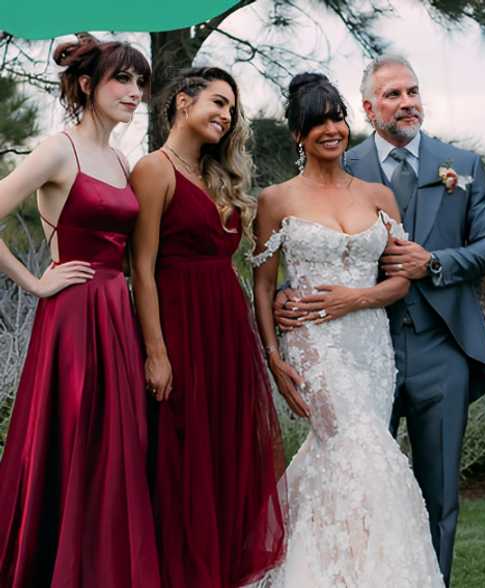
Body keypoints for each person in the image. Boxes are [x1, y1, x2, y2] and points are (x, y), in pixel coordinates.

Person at [276, 54, 485, 585]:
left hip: (438, 348)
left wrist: (438, 263)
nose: (407, 103)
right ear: (368, 107)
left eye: (413, 91)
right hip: (355, 354)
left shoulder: (462, 165)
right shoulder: (341, 162)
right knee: (354, 482)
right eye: (394, 95)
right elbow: (313, 242)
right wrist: (290, 293)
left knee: (438, 491)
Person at [249, 72, 442, 587]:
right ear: (298, 134)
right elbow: (264, 285)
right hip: (314, 345)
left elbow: (401, 279)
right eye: (318, 122)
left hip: (371, 344)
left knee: (346, 457)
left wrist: (357, 298)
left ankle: (332, 570)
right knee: (364, 451)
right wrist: (274, 356)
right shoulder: (276, 200)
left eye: (336, 117)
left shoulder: (379, 195)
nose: (331, 129)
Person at [0, 34, 160, 587]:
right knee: (71, 442)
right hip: (72, 318)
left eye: (140, 82)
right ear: (88, 85)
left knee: (117, 448)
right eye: (123, 79)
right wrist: (34, 283)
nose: (135, 92)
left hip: (118, 315)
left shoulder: (119, 157)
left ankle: (103, 569)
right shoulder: (56, 149)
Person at [129, 66, 285, 588]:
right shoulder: (154, 169)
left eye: (231, 109)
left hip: (226, 332)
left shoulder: (217, 176)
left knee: (225, 453)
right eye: (217, 102)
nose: (225, 115)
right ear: (181, 102)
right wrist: (157, 351)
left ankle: (223, 574)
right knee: (183, 457)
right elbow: (141, 268)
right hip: (180, 328)